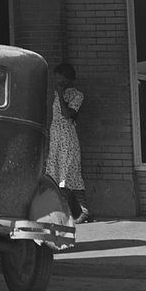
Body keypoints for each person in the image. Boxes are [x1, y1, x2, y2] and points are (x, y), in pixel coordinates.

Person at [46, 61, 91, 223]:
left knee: (70, 173)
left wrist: (60, 94)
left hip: (68, 139)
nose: (59, 83)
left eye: (61, 80)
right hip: (56, 138)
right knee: (55, 173)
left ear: (68, 79)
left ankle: (82, 210)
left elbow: (67, 114)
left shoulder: (77, 95)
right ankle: (60, 211)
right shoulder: (57, 95)